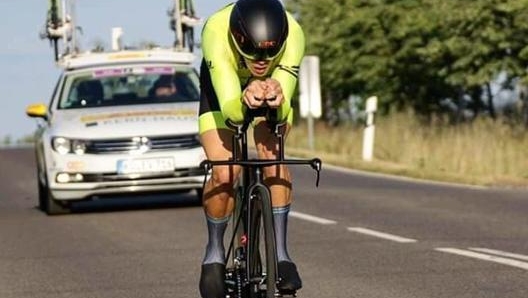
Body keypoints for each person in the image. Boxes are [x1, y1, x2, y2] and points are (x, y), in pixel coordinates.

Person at [197, 0, 305, 297]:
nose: (262, 60)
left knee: (274, 158)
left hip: (271, 90)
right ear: (236, 37)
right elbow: (231, 109)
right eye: (253, 51)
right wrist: (244, 99)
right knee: (224, 173)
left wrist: (276, 99)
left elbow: (281, 113)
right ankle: (215, 251)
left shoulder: (294, 33)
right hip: (224, 92)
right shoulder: (215, 31)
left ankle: (281, 254)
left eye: (271, 52)